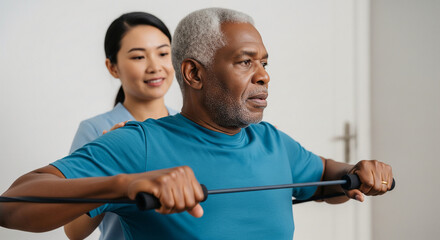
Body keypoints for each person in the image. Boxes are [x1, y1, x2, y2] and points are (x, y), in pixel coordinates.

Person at [0, 8, 393, 239]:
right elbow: (13, 205)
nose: (263, 76)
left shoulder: (273, 142)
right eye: (245, 62)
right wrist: (123, 184)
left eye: (264, 63)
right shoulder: (138, 145)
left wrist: (359, 172)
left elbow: (328, 178)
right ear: (193, 73)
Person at [63, 12, 177, 240]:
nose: (155, 66)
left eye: (163, 53)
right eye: (138, 57)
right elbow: (74, 231)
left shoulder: (188, 126)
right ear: (113, 67)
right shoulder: (96, 130)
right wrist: (110, 167)